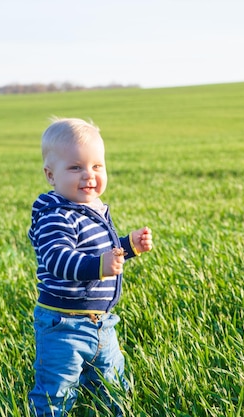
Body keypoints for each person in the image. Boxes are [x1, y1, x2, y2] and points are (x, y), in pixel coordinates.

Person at [27, 117, 153, 416]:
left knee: (113, 386)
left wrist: (128, 246)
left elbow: (99, 253)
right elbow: (59, 260)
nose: (89, 175)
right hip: (64, 326)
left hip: (103, 323)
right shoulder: (56, 215)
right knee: (56, 391)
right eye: (75, 167)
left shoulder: (91, 210)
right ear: (50, 175)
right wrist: (100, 266)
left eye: (97, 166)